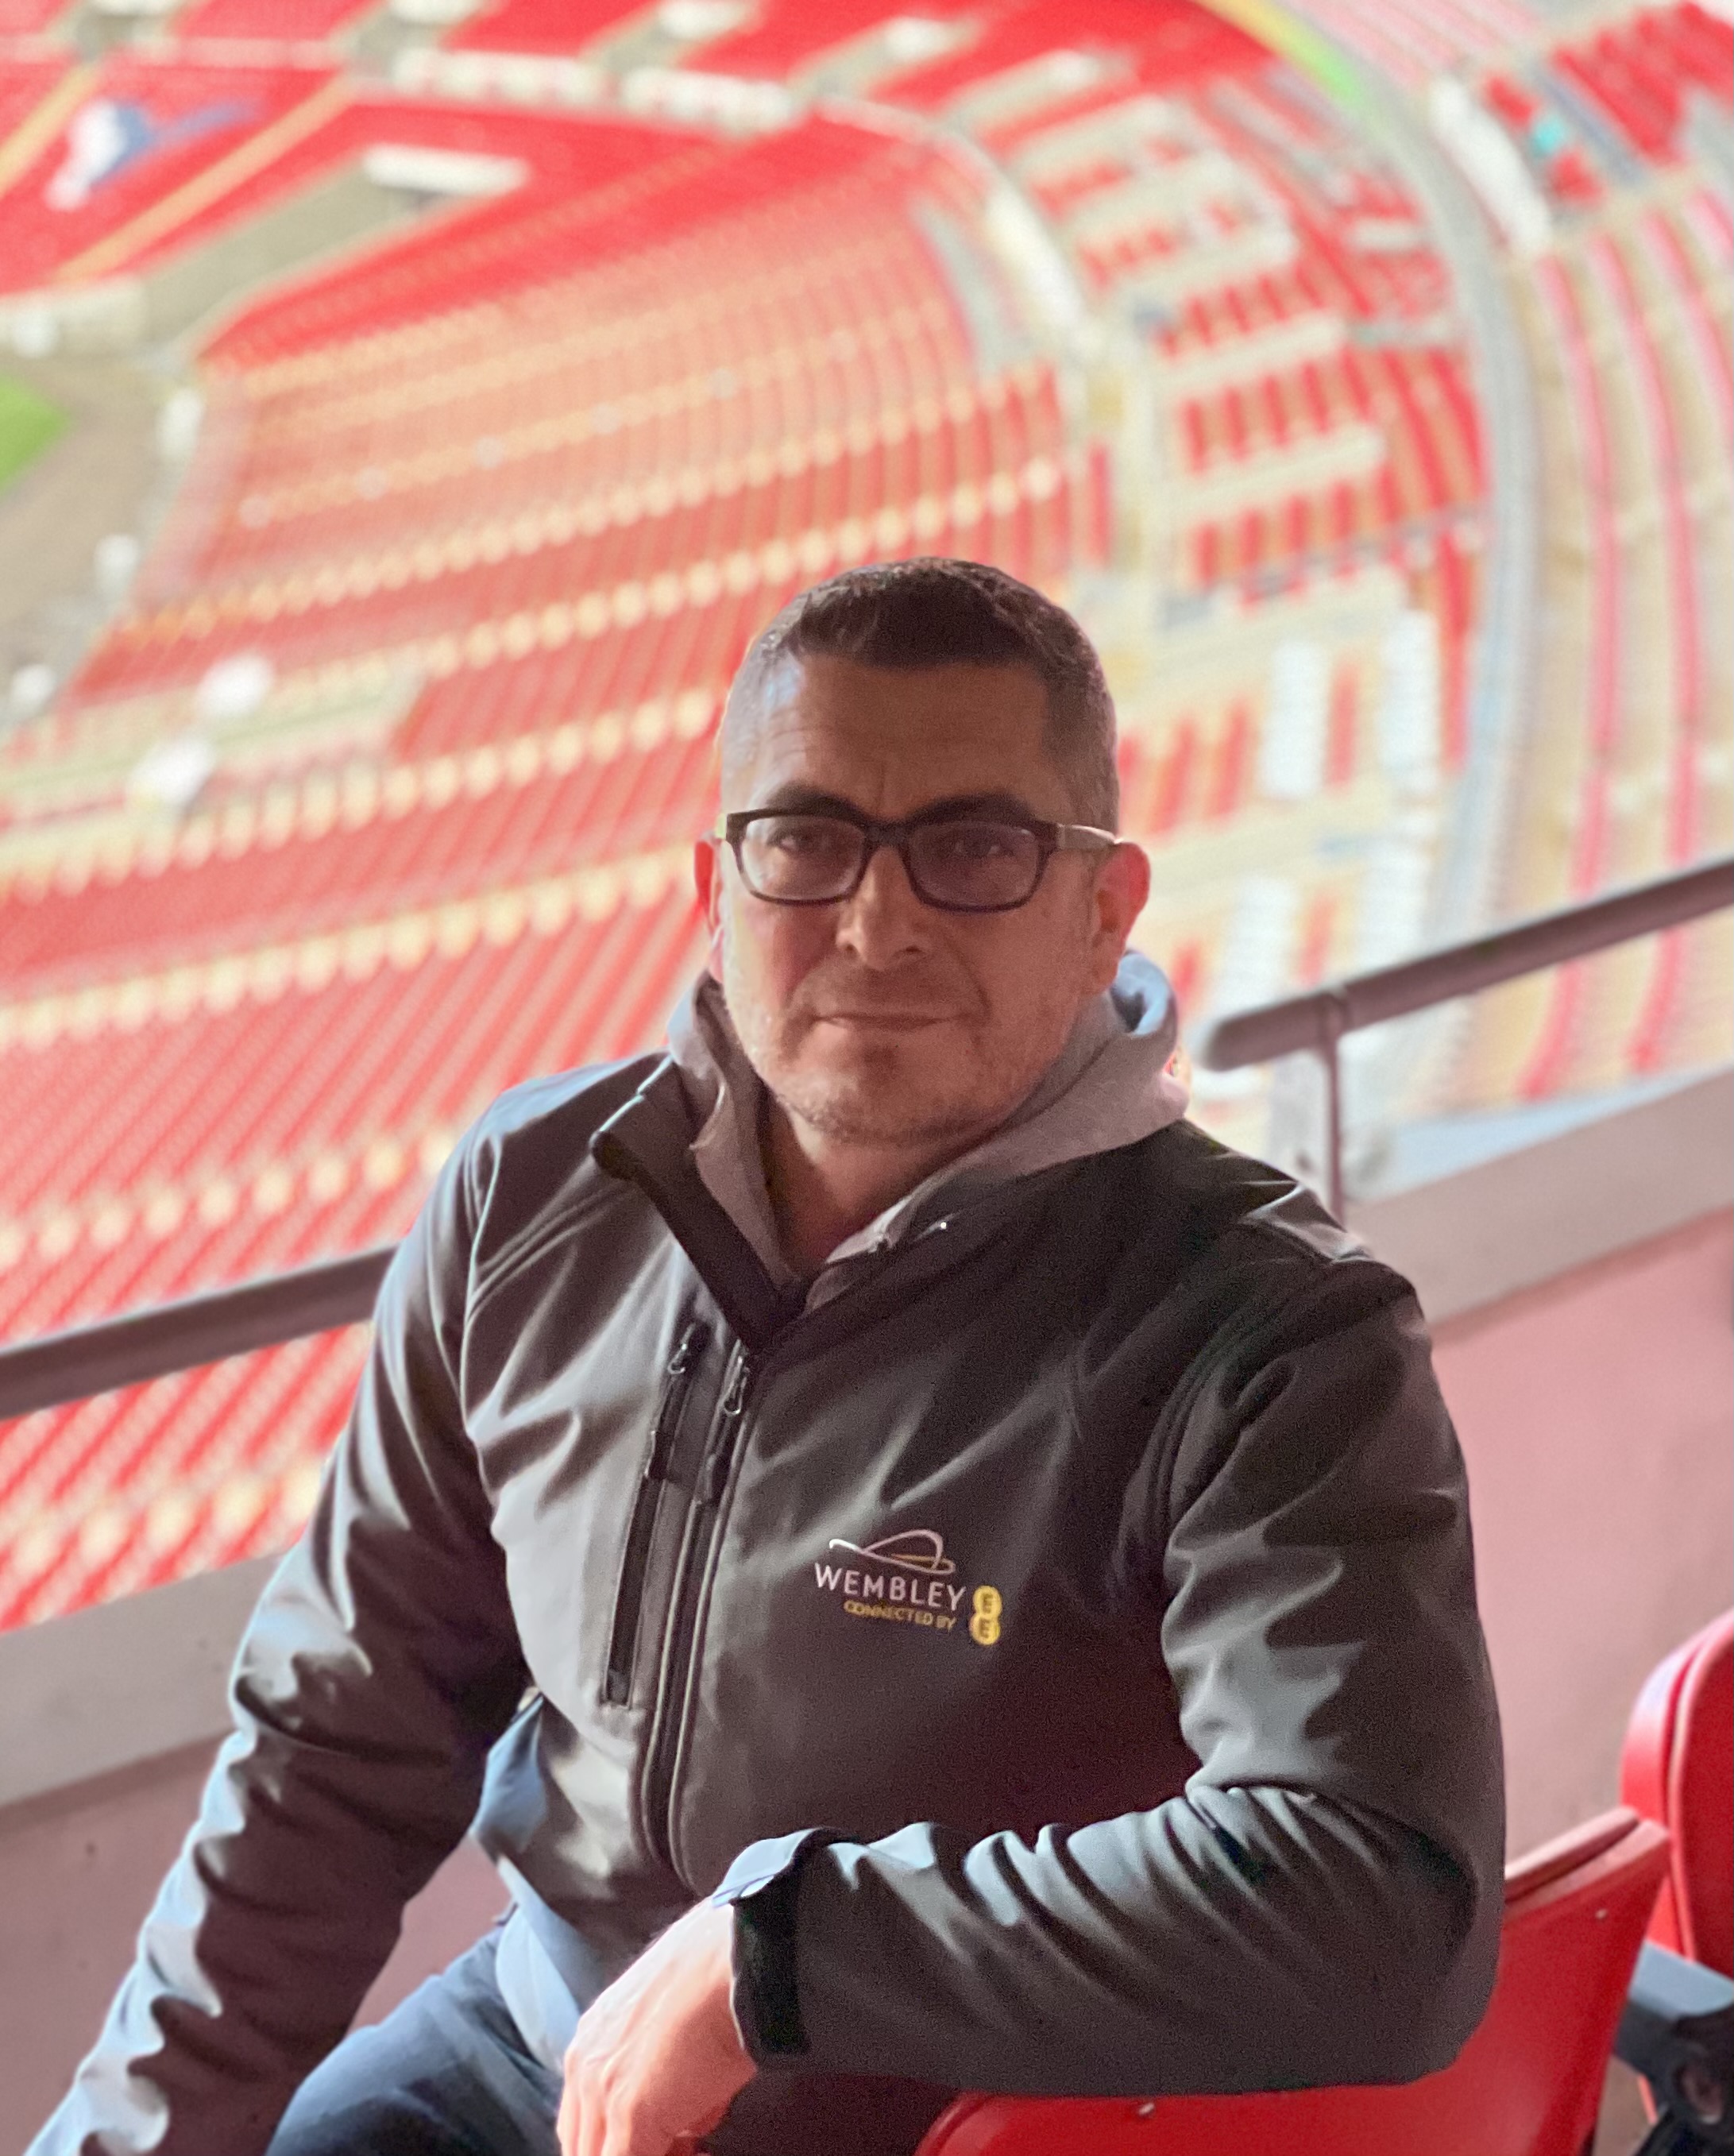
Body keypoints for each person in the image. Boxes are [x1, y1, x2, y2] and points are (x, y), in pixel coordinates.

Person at [33, 558, 1504, 2156]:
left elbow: (1380, 1900)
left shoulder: (1271, 1331)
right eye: (807, 841)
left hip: (950, 2126)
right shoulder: (528, 1199)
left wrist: (782, 1963)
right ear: (717, 888)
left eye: (975, 848)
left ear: (1104, 912)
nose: (878, 920)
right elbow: (337, 1741)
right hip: (539, 2049)